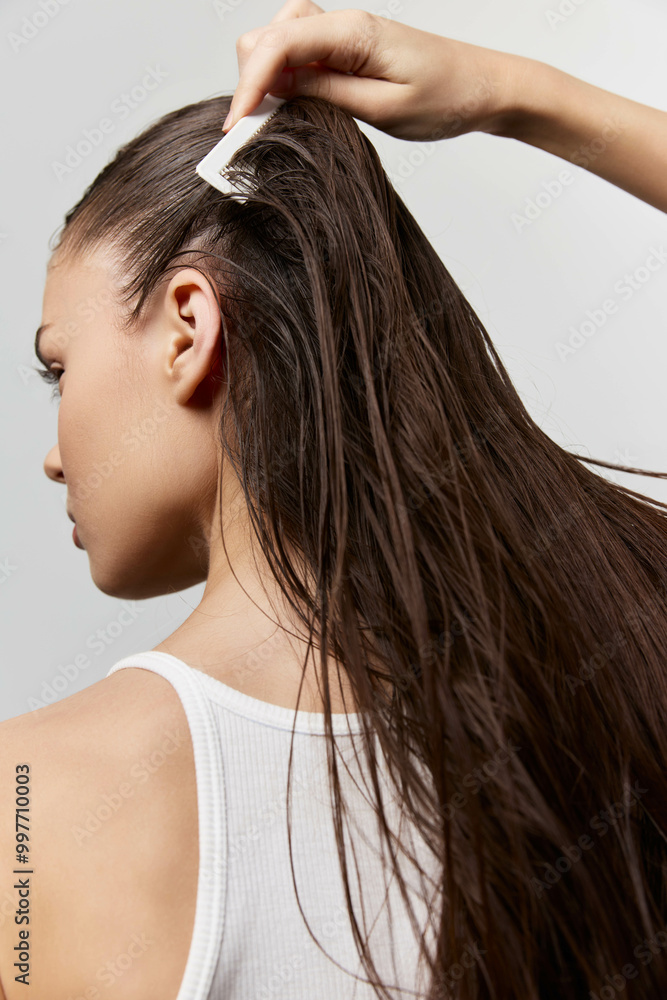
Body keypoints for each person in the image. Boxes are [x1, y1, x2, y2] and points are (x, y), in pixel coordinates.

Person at [1, 2, 667, 997]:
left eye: (60, 367)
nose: (53, 458)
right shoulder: (617, 661)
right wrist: (517, 98)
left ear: (188, 327)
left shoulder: (30, 797)